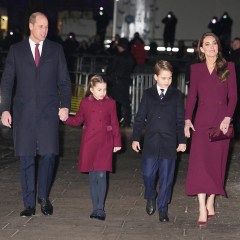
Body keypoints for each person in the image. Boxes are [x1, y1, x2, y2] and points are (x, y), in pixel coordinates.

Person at [0, 12, 71, 217]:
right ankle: (29, 203)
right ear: (30, 26)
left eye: (47, 27)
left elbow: (65, 82)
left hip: (49, 113)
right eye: (41, 26)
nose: (45, 30)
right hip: (24, 113)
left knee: (49, 154)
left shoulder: (56, 50)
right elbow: (7, 82)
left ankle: (44, 197)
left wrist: (65, 106)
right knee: (26, 157)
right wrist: (5, 109)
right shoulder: (16, 50)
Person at [184, 32, 237, 226]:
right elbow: (192, 98)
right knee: (199, 164)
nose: (211, 47)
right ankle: (201, 208)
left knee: (217, 163)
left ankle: (211, 200)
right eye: (207, 44)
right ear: (201, 49)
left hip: (222, 122)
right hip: (202, 121)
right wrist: (187, 119)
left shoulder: (228, 67)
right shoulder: (196, 69)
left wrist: (227, 118)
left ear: (218, 46)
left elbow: (234, 97)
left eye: (214, 43)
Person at [132, 60, 186, 222]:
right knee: (148, 174)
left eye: (170, 78)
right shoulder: (148, 94)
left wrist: (182, 141)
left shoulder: (176, 95)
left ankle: (163, 208)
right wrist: (135, 138)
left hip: (170, 143)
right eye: (164, 78)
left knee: (167, 178)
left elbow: (180, 120)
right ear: (156, 77)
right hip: (151, 142)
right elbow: (140, 117)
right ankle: (150, 194)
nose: (167, 81)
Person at [63, 75, 121, 220]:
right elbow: (77, 120)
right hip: (89, 143)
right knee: (92, 175)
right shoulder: (84, 103)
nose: (103, 92)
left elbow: (114, 123)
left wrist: (117, 142)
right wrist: (65, 119)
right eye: (99, 89)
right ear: (91, 89)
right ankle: (94, 206)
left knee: (101, 174)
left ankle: (100, 208)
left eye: (105, 89)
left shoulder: (111, 103)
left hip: (105, 143)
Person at [105, 37, 135, 127]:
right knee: (125, 103)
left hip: (116, 83)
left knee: (115, 104)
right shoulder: (131, 57)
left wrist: (109, 77)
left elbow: (110, 69)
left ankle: (115, 122)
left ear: (120, 46)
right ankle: (127, 122)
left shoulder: (118, 57)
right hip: (125, 82)